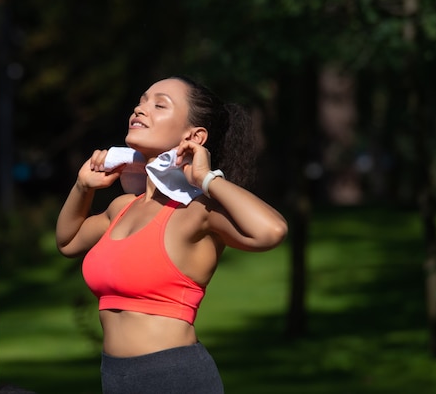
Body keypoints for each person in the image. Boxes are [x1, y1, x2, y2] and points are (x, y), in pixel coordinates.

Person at [56, 75, 288, 394]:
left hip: (175, 378)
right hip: (115, 377)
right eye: (141, 101)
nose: (140, 109)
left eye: (159, 104)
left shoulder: (196, 212)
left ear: (194, 136)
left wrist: (207, 178)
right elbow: (68, 242)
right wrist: (83, 187)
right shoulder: (122, 207)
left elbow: (272, 231)